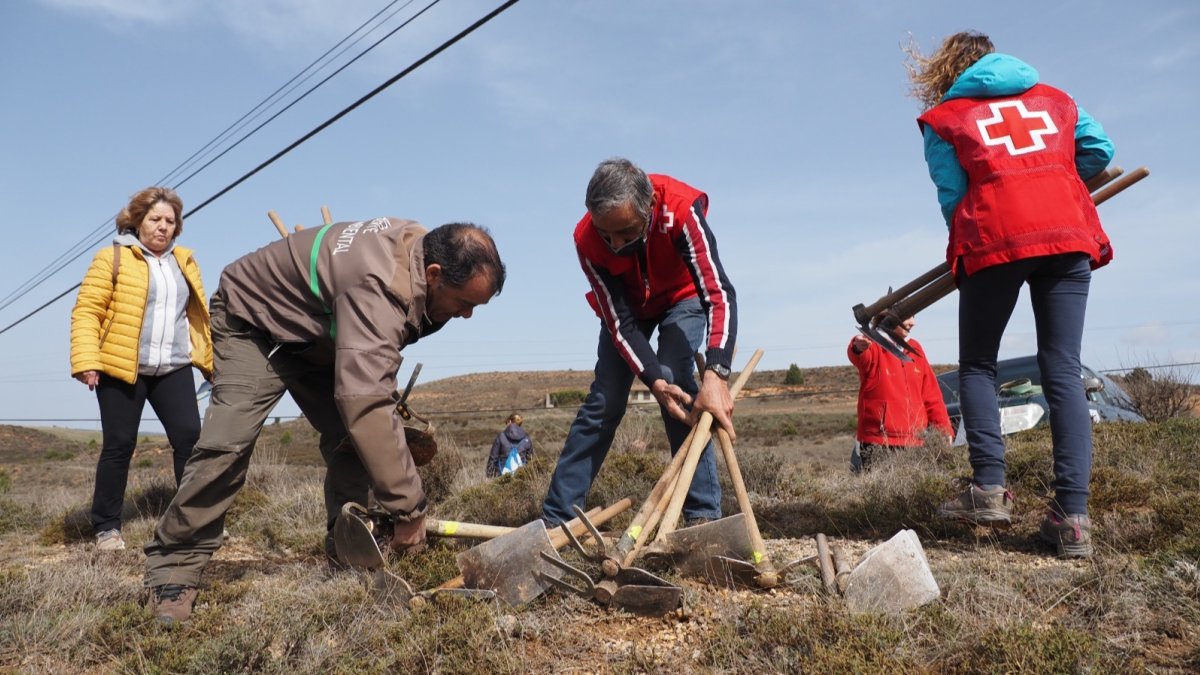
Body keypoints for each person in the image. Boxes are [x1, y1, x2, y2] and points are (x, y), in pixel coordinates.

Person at [142, 219, 505, 623]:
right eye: (464, 302)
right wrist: (410, 510)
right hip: (257, 324)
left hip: (320, 334)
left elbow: (369, 392)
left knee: (354, 439)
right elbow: (366, 401)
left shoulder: (420, 254)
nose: (467, 315)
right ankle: (173, 569)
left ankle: (352, 551)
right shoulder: (379, 284)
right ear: (434, 274)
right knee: (227, 446)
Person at [908, 32, 1114, 557]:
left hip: (994, 236)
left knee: (978, 365)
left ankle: (988, 490)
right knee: (1062, 368)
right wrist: (1050, 184)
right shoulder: (1057, 99)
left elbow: (953, 196)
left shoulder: (945, 118)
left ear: (948, 70)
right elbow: (1099, 151)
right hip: (1067, 232)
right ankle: (1072, 519)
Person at [541, 158, 737, 527]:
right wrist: (653, 381)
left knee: (678, 378)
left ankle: (702, 515)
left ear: (650, 209)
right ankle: (556, 518)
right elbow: (619, 322)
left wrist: (716, 374)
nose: (615, 245)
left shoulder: (681, 210)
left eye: (626, 233)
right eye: (607, 235)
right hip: (629, 309)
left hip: (682, 297)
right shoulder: (587, 239)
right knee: (605, 398)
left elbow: (718, 294)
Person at [70, 187, 213, 552]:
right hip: (122, 368)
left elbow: (199, 317)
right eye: (155, 219)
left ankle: (194, 523)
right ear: (137, 221)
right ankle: (107, 528)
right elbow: (87, 310)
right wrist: (87, 360)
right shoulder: (112, 258)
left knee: (190, 439)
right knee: (119, 445)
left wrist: (211, 364)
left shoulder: (184, 261)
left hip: (173, 367)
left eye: (170, 221)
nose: (163, 226)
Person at [848, 315, 953, 472]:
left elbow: (932, 396)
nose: (913, 323)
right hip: (878, 442)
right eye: (908, 317)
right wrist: (857, 347)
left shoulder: (915, 348)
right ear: (890, 316)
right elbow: (859, 356)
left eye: (914, 317)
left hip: (916, 441)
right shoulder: (872, 343)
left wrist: (943, 429)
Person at [486, 413, 533, 478]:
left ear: (510, 421)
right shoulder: (526, 438)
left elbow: (493, 458)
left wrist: (489, 475)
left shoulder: (501, 436)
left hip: (502, 477)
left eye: (506, 423)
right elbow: (530, 460)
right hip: (521, 477)